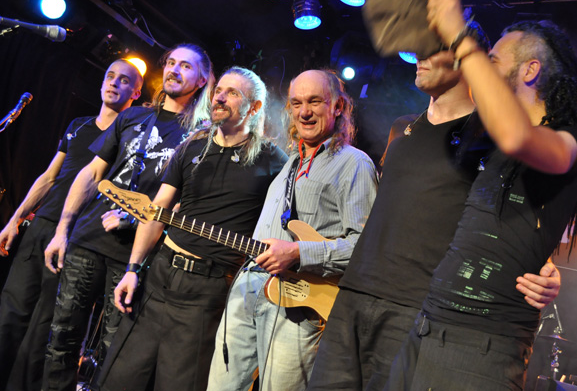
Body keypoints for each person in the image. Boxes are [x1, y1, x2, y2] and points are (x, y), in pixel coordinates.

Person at [307, 26, 562, 390]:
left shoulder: (491, 141)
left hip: (415, 309)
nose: (419, 55)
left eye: (433, 48)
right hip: (352, 295)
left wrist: (547, 269)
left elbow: (515, 222)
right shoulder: (402, 128)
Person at [385, 0, 577, 391]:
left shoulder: (574, 140)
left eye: (494, 59)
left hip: (484, 342)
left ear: (530, 70)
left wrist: (462, 36)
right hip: (429, 320)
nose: (483, 64)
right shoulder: (487, 140)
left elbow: (520, 138)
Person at [97, 66, 288, 391]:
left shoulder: (273, 160)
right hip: (160, 277)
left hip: (209, 291)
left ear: (254, 107)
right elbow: (156, 212)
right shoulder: (192, 146)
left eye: (232, 93)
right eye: (218, 91)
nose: (220, 98)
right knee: (120, 379)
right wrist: (132, 269)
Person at [42, 43, 214, 391]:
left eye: (185, 66)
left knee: (113, 355)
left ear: (201, 80)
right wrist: (62, 230)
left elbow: (185, 203)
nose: (174, 69)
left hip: (135, 258)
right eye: (171, 62)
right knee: (60, 340)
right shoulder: (133, 116)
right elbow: (92, 173)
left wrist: (137, 219)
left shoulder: (201, 135)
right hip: (88, 241)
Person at [207, 69, 379, 391]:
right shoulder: (290, 164)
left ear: (338, 106)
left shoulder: (354, 164)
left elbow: (366, 248)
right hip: (249, 289)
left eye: (314, 101)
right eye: (296, 103)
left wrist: (299, 253)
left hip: (297, 303)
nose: (304, 112)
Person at [0, 59, 142, 391]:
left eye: (124, 80)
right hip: (42, 225)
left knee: (43, 328)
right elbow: (49, 176)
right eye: (110, 76)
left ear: (136, 93)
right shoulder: (79, 125)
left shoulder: (129, 138)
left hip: (76, 238)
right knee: (10, 311)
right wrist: (15, 218)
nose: (113, 83)